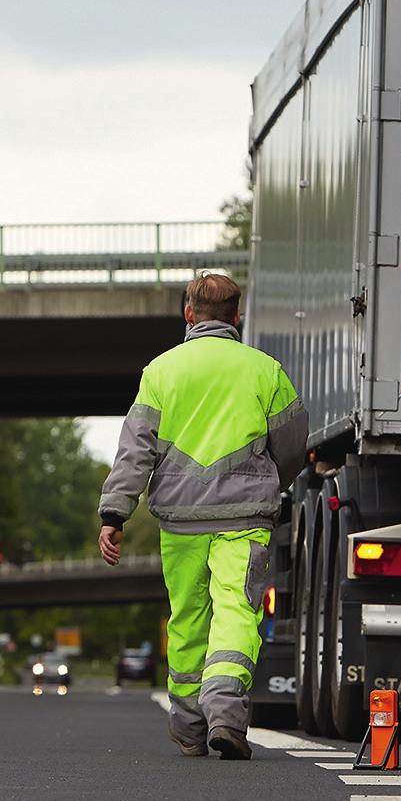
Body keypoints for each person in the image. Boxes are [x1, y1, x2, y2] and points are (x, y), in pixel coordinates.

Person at [97, 272, 307, 760]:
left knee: (189, 619)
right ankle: (225, 712)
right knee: (236, 609)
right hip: (245, 518)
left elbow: (136, 451)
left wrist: (115, 512)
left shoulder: (161, 372)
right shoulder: (265, 371)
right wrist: (272, 481)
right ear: (238, 317)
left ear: (188, 314)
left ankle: (190, 725)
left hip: (181, 519)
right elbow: (294, 444)